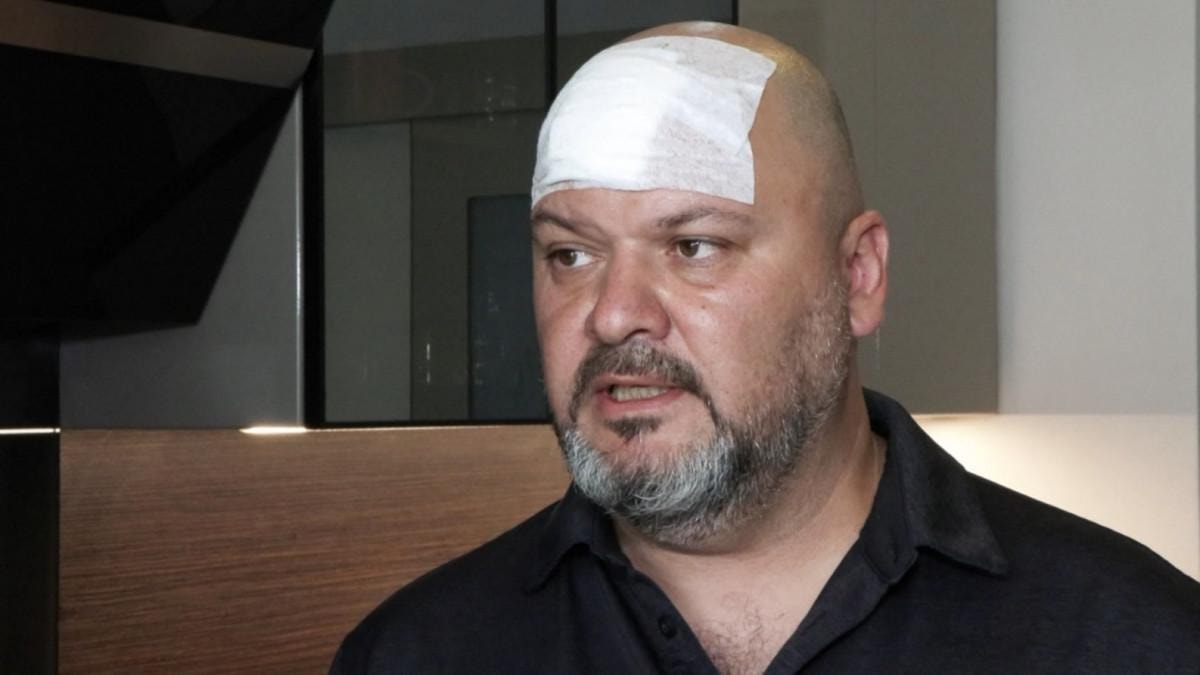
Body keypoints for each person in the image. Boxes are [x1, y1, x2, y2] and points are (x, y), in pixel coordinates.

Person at [331, 22, 1200, 674]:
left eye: (693, 245)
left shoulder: (1132, 639)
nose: (613, 314)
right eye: (571, 254)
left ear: (857, 275)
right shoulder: (419, 653)